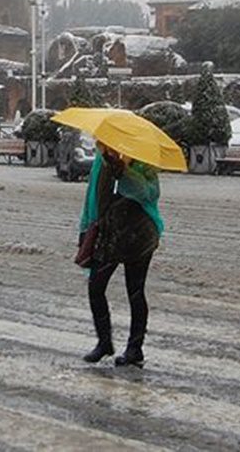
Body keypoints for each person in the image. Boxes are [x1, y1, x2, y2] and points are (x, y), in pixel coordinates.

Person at [78, 144, 163, 368]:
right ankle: (104, 342)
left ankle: (135, 349)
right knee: (96, 287)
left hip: (138, 235)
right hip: (111, 233)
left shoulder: (142, 160)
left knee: (135, 291)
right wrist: (85, 228)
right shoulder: (102, 159)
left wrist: (124, 170)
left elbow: (149, 194)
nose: (99, 142)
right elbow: (94, 197)